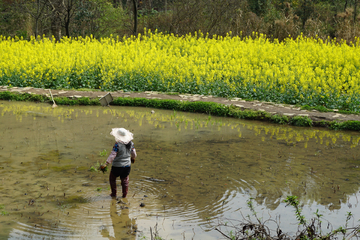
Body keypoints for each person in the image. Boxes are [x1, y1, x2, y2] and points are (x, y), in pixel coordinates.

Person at [101, 128, 137, 198]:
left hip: (117, 166)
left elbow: (113, 155)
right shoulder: (131, 143)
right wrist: (133, 158)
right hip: (127, 166)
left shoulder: (117, 144)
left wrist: (106, 163)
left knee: (112, 178)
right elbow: (134, 154)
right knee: (125, 180)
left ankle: (114, 194)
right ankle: (124, 195)